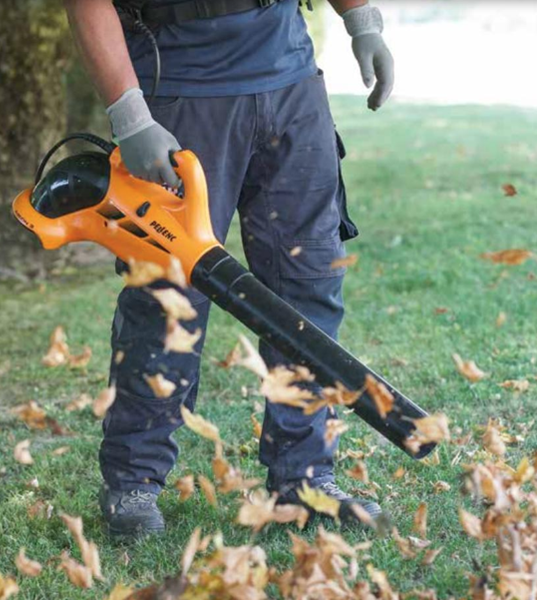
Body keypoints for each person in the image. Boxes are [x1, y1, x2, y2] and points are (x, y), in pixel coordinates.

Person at [63, 0, 394, 538]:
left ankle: (306, 477)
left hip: (290, 86)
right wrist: (130, 115)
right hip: (179, 93)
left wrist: (362, 22)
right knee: (166, 297)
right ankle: (133, 479)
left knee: (306, 284)